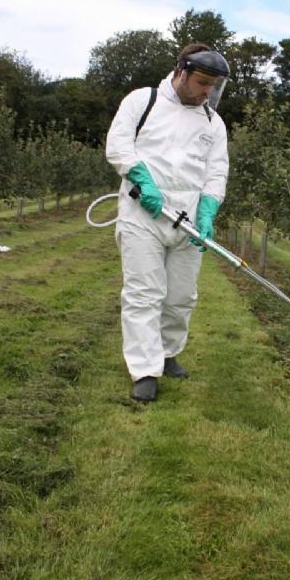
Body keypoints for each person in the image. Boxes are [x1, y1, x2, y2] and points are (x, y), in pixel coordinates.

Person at [105, 43, 230, 402]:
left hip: (188, 221)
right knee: (145, 294)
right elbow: (118, 144)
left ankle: (167, 352)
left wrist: (208, 209)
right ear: (181, 72)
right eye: (202, 83)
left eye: (214, 86)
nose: (207, 92)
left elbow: (216, 170)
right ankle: (144, 370)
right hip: (143, 216)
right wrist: (140, 177)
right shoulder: (142, 101)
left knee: (180, 297)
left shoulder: (213, 122)